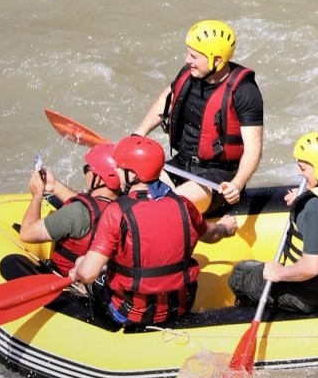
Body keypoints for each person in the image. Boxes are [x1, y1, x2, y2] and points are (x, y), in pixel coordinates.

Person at [71, 134, 239, 329]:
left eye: (119, 167)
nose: (115, 170)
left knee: (83, 267)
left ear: (133, 176)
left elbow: (89, 273)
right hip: (180, 307)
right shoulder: (184, 205)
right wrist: (225, 228)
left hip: (129, 312)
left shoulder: (116, 212)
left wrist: (79, 271)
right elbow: (212, 234)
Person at [228, 132, 318, 313]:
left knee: (239, 274)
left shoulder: (314, 209)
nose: (299, 172)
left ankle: (245, 317)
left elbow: (311, 267)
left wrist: (278, 273)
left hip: (309, 297)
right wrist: (309, 193)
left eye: (303, 168)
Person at [133, 19, 264, 217]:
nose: (187, 60)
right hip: (180, 164)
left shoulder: (245, 92)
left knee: (169, 207)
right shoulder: (189, 74)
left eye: (194, 56)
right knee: (129, 181)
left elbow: (254, 149)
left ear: (217, 61)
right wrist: (138, 134)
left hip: (218, 177)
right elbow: (165, 100)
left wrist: (237, 184)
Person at [19, 143, 122, 276]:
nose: (86, 173)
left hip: (65, 279)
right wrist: (54, 185)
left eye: (87, 169)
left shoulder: (77, 213)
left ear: (98, 180)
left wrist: (37, 195)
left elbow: (27, 233)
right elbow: (93, 208)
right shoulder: (124, 205)